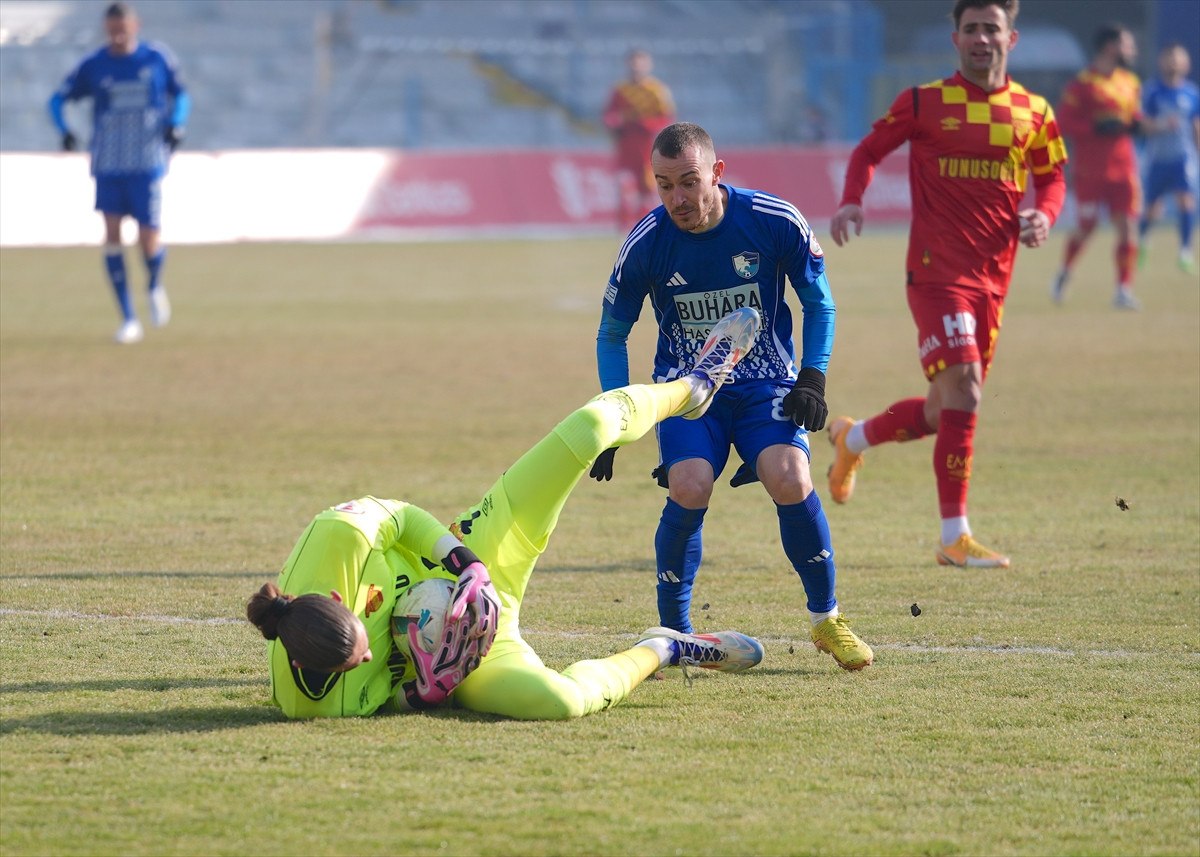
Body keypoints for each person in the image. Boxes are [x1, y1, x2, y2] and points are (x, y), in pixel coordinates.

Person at [246, 310, 765, 721]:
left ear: (339, 599)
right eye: (358, 662)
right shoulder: (313, 707)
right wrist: (429, 691)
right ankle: (665, 648)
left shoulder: (337, 538)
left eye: (363, 644)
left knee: (588, 426)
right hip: (468, 660)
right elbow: (388, 699)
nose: (367, 658)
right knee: (559, 702)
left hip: (462, 564)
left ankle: (693, 388)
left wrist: (464, 562)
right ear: (298, 664)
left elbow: (401, 518)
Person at [592, 121, 874, 671]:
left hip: (766, 382)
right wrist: (614, 417)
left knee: (791, 477)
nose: (676, 198)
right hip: (688, 391)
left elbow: (820, 304)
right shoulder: (646, 243)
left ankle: (827, 619)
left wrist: (812, 378)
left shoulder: (772, 221)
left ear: (716, 174)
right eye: (664, 184)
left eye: (688, 182)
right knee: (689, 484)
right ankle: (676, 632)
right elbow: (611, 334)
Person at [827, 0, 1067, 569]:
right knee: (967, 391)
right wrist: (852, 202)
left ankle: (852, 439)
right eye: (972, 28)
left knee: (943, 410)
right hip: (936, 273)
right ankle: (953, 536)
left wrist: (1046, 216)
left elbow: (1052, 177)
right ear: (955, 37)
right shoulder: (924, 102)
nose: (982, 37)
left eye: (992, 27)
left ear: (1013, 37)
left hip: (993, 281)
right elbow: (867, 151)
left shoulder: (1034, 111)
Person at [47, 1, 190, 344]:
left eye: (123, 28)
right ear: (106, 29)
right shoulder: (94, 65)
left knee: (148, 236)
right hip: (109, 163)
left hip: (146, 161)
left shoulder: (156, 58)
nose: (118, 35)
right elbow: (57, 99)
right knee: (111, 233)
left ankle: (154, 284)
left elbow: (181, 94)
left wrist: (177, 124)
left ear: (136, 25)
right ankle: (128, 318)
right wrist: (63, 130)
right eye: (113, 29)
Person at [1051, 23, 1144, 310]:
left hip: (1124, 167)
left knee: (1128, 228)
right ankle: (1065, 272)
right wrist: (1095, 126)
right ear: (1109, 47)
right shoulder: (1082, 84)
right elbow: (1062, 123)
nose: (1131, 50)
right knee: (1087, 226)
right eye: (1126, 44)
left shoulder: (1130, 81)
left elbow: (1134, 116)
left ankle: (1123, 290)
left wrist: (1139, 124)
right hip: (1091, 170)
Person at [1137, 43, 1200, 274]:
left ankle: (1185, 251)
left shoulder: (1191, 93)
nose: (1173, 62)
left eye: (1178, 58)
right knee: (1153, 208)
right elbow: (1142, 124)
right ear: (1161, 62)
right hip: (1157, 159)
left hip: (1183, 158)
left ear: (1186, 63)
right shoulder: (1152, 91)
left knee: (1186, 201)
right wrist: (1162, 125)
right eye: (1169, 57)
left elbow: (1195, 125)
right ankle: (1142, 242)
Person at [602, 49, 676, 231]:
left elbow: (667, 119)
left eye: (640, 63)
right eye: (633, 64)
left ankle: (646, 228)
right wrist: (617, 122)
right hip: (626, 149)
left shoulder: (657, 91)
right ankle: (623, 231)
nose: (636, 68)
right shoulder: (620, 91)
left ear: (648, 65)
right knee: (624, 188)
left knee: (648, 190)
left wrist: (645, 124)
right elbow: (608, 116)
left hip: (648, 150)